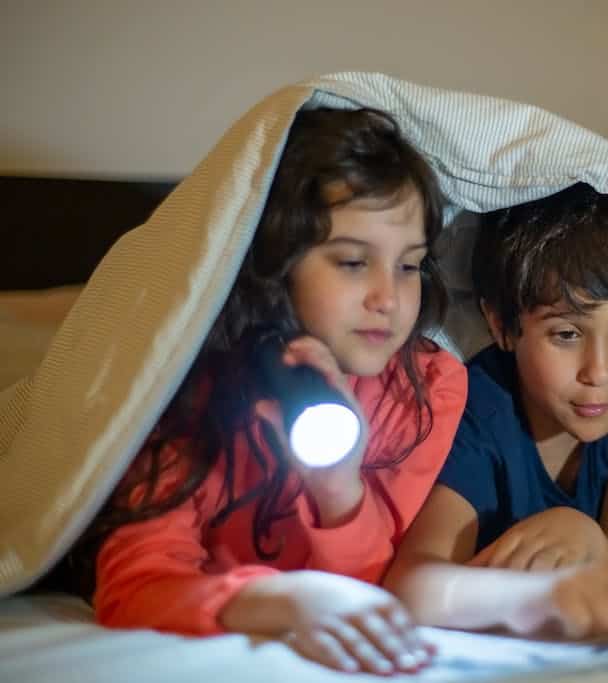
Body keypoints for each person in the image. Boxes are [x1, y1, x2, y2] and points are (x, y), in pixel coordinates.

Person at [63, 108, 467, 675]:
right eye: (353, 262)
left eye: (409, 267)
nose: (388, 297)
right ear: (274, 263)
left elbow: (378, 588)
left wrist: (339, 488)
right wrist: (280, 600)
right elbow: (135, 583)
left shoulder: (426, 387)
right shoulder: (187, 385)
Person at [384, 183, 608, 639]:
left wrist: (590, 541)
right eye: (566, 334)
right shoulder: (482, 412)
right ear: (501, 325)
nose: (599, 372)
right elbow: (411, 583)